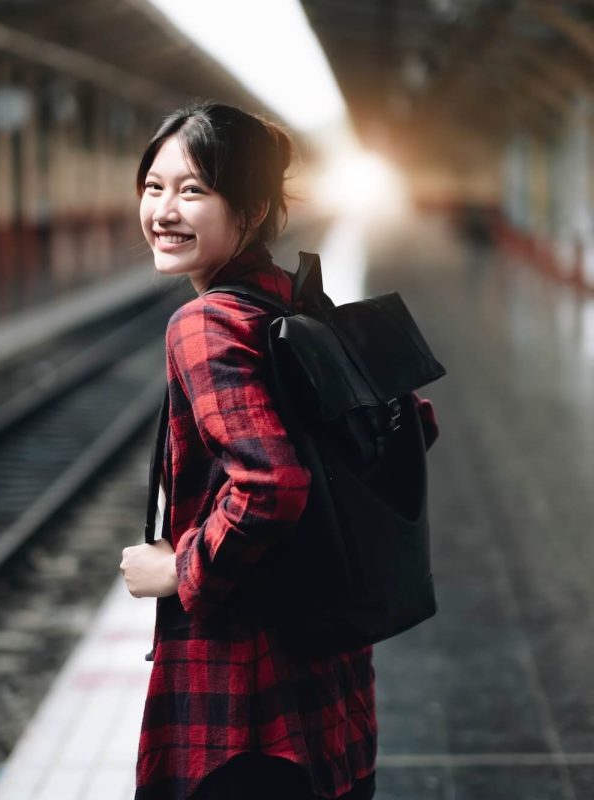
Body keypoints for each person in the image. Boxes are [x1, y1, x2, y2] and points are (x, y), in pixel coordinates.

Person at [120, 101, 386, 800]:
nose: (165, 211)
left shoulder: (206, 323)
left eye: (194, 190)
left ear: (253, 206)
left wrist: (181, 569)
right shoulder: (292, 305)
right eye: (154, 187)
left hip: (242, 699)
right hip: (327, 679)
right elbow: (410, 426)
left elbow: (273, 486)